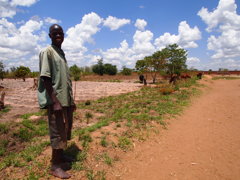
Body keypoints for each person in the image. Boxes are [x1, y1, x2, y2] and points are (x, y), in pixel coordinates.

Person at [38, 24, 76, 179]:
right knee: (56, 132)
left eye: (60, 33)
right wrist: (55, 102)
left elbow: (65, 80)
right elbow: (45, 77)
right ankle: (55, 166)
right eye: (55, 33)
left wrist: (71, 101)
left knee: (64, 129)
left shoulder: (61, 53)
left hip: (65, 100)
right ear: (50, 36)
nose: (58, 35)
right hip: (56, 101)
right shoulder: (47, 52)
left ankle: (61, 158)